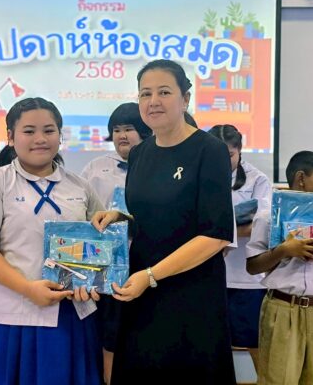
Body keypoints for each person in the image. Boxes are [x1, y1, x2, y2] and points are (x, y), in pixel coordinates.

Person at [92, 59, 235, 383]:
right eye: (145, 93)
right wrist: (119, 217)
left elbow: (215, 234)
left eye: (164, 92)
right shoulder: (140, 154)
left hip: (190, 293)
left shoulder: (209, 150)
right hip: (140, 291)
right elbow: (154, 218)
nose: (153, 101)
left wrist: (152, 275)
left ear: (185, 99)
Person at [0, 97, 103, 385]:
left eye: (49, 130)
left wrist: (94, 280)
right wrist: (28, 289)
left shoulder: (79, 186)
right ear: (10, 136)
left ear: (60, 135)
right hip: (11, 316)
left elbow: (100, 248)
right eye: (29, 131)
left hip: (70, 316)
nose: (40, 139)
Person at [246, 150, 313, 385]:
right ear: (301, 178)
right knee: (278, 379)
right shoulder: (268, 216)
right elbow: (252, 266)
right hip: (282, 309)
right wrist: (284, 250)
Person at [80, 102, 151, 383]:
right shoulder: (96, 168)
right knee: (109, 335)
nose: (122, 135)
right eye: (117, 130)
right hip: (106, 266)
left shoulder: (156, 164)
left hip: (147, 263)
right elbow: (82, 215)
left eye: (129, 129)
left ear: (144, 131)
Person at [208, 124, 270, 372]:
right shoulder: (201, 175)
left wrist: (222, 237)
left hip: (247, 280)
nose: (224, 162)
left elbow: (261, 225)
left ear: (240, 151)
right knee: (213, 345)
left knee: (256, 345)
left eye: (230, 155)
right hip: (211, 277)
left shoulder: (258, 179)